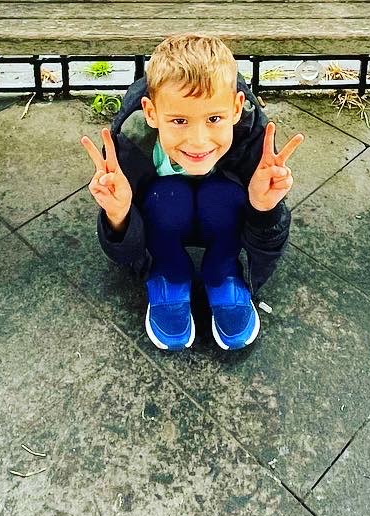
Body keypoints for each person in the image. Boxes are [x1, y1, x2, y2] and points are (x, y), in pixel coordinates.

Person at [83, 35, 302, 351]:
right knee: (168, 196)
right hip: (165, 216)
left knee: (223, 197)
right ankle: (170, 273)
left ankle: (223, 273)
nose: (198, 141)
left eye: (214, 118)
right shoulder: (129, 144)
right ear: (151, 113)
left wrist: (264, 208)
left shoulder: (255, 139)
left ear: (237, 107)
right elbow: (125, 255)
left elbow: (269, 245)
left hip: (222, 216)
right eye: (179, 120)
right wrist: (117, 216)